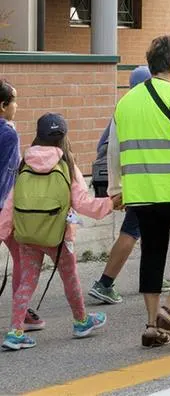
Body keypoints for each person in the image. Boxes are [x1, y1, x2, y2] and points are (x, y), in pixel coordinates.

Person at [108, 36, 170, 348]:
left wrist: (116, 188)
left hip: (141, 193)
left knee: (153, 252)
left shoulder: (125, 101)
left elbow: (113, 148)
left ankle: (152, 326)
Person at [0, 114, 114, 351]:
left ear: (37, 135)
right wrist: (110, 203)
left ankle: (15, 331)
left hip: (28, 234)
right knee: (69, 277)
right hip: (59, 236)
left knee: (26, 283)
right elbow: (82, 203)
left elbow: (11, 202)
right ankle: (81, 321)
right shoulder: (66, 164)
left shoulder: (25, 162)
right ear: (63, 136)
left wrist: (2, 231)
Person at [88, 66, 170, 305]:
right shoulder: (150, 107)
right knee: (132, 231)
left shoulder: (125, 106)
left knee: (149, 231)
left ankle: (152, 278)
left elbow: (103, 146)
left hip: (133, 180)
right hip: (146, 182)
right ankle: (104, 283)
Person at [0, 81, 44, 334]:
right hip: (4, 208)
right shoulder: (8, 134)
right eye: (14, 101)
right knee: (23, 260)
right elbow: (8, 176)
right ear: (3, 105)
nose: (17, 105)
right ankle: (23, 312)